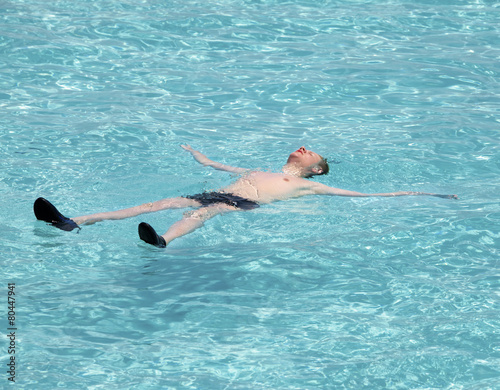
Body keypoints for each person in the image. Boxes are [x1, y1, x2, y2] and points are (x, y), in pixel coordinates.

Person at [34, 145, 458, 248]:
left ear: (315, 169)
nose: (305, 146)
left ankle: (164, 241)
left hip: (239, 203)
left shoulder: (311, 184)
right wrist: (200, 154)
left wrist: (419, 192)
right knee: (150, 204)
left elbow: (366, 194)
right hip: (220, 189)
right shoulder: (259, 169)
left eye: (312, 153)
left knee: (206, 213)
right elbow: (219, 168)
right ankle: (72, 222)